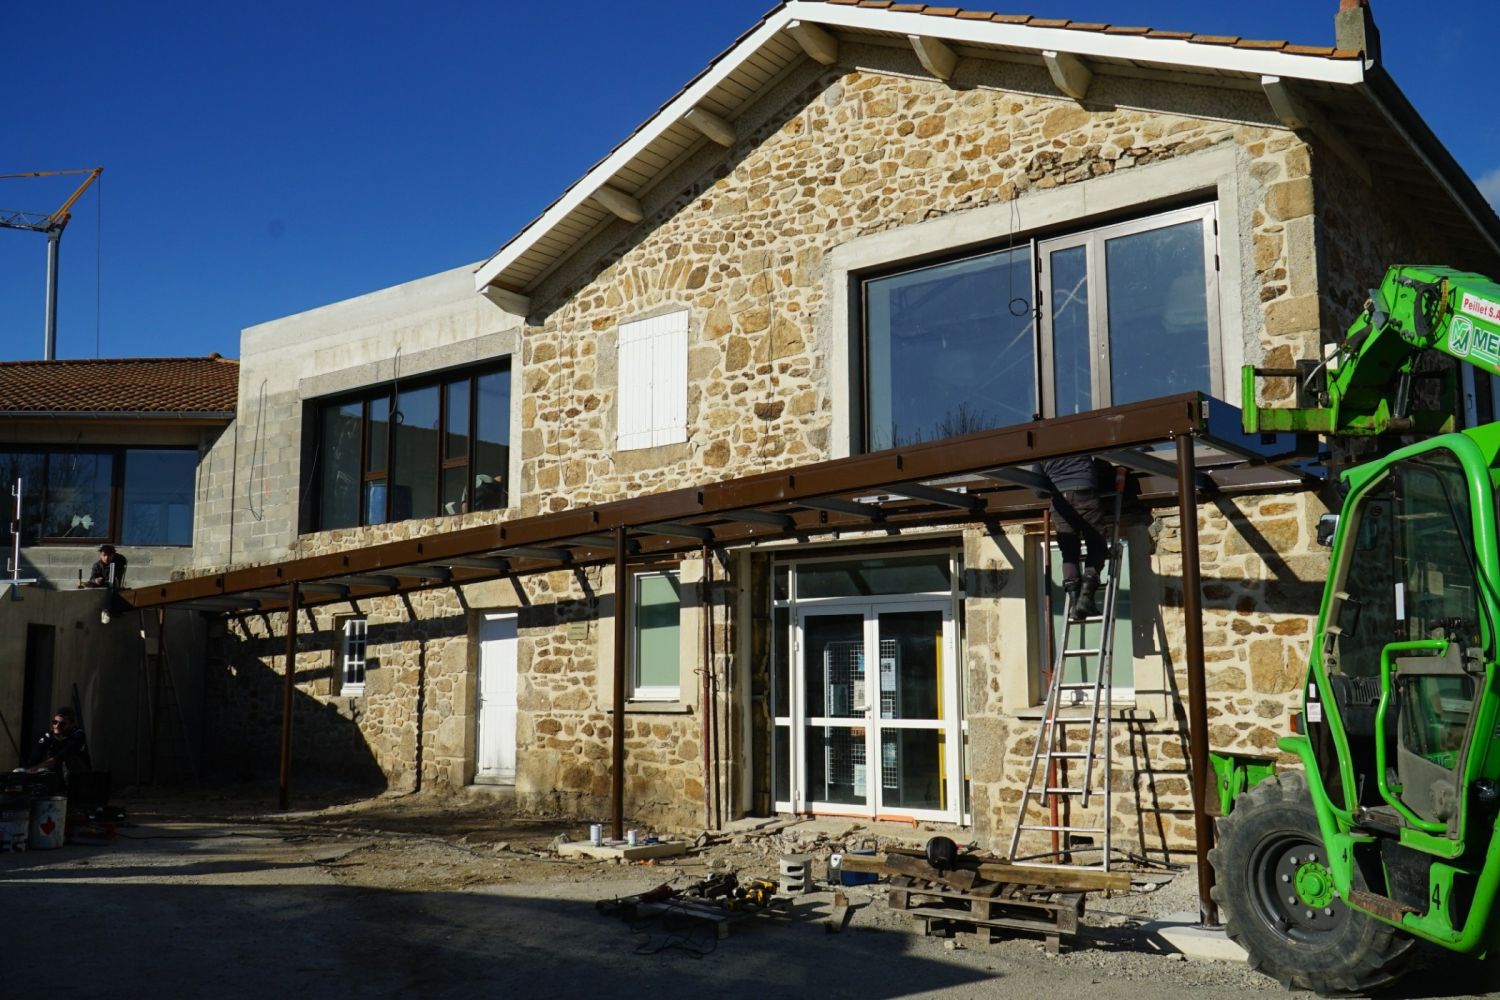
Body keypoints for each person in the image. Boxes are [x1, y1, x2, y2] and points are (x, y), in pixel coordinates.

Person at [1037, 456, 1110, 621]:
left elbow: (1039, 491)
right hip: (1085, 495)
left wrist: (1057, 482)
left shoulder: (1039, 448)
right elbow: (1100, 465)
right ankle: (1085, 599)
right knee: (1097, 546)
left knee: (1069, 553)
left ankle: (1074, 604)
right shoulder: (1078, 441)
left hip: (1060, 502)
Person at [25, 706, 92, 784]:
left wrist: (36, 768)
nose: (57, 726)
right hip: (57, 775)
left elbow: (61, 756)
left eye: (62, 724)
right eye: (55, 722)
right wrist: (28, 769)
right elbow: (37, 754)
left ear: (71, 725)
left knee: (70, 760)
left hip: (77, 777)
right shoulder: (49, 735)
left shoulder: (78, 735)